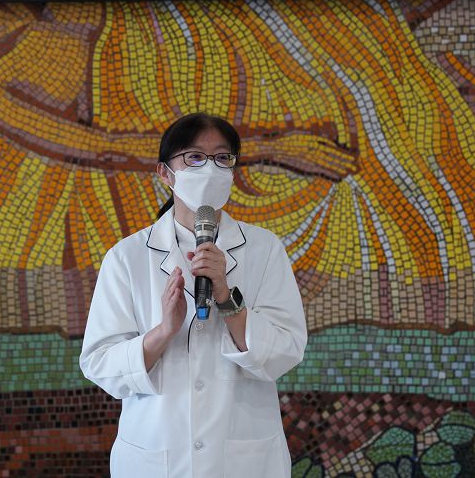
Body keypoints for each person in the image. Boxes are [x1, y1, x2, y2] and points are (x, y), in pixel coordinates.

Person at [79, 112, 307, 478]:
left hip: (244, 459)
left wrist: (227, 299)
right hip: (156, 456)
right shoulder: (127, 256)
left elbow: (286, 350)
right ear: (165, 173)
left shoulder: (264, 249)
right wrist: (163, 331)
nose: (210, 168)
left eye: (222, 158)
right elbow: (100, 363)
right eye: (195, 157)